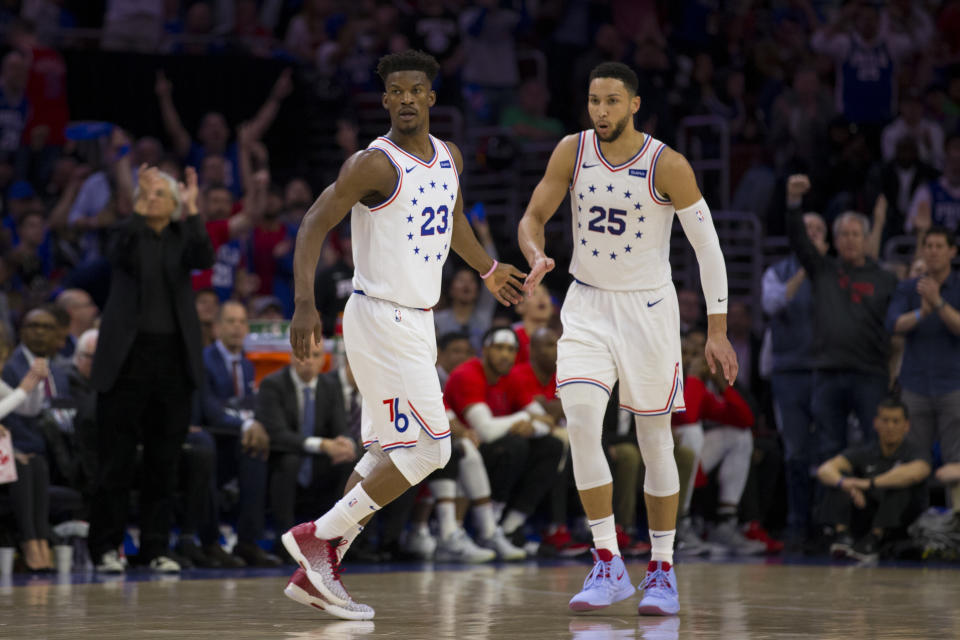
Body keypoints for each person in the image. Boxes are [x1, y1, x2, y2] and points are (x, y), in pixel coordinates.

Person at [280, 50, 524, 620]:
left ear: (431, 97)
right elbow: (314, 222)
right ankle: (320, 536)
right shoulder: (373, 164)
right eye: (396, 91)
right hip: (380, 313)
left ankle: (319, 570)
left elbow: (453, 221)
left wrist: (488, 270)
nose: (407, 98)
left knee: (384, 452)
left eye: (417, 89)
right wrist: (303, 303)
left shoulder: (449, 157)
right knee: (434, 448)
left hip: (417, 318)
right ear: (385, 99)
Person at [517, 62, 738, 615]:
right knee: (583, 426)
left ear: (634, 104)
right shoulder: (572, 149)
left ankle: (662, 568)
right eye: (594, 100)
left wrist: (717, 330)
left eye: (612, 101)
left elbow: (708, 250)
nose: (601, 111)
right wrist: (534, 250)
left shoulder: (669, 165)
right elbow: (533, 214)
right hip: (587, 304)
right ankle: (608, 561)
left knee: (654, 440)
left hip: (648, 311)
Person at [87, 165, 214, 574]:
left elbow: (204, 257)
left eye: (160, 195)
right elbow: (118, 251)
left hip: (173, 361)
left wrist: (193, 209)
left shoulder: (182, 237)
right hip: (126, 361)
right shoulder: (129, 233)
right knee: (116, 462)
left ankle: (155, 547)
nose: (153, 199)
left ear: (174, 205)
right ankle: (105, 547)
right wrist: (138, 205)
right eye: (149, 195)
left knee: (164, 462)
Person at [785, 174, 897, 464]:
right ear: (835, 240)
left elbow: (898, 329)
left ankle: (871, 507)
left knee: (876, 448)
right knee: (827, 450)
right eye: (844, 235)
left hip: (870, 373)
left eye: (855, 234)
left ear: (866, 238)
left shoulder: (885, 279)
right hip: (827, 373)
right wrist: (794, 203)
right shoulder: (823, 270)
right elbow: (799, 241)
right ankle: (829, 510)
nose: (849, 240)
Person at [761, 208, 828, 543]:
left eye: (818, 229)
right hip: (790, 373)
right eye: (807, 230)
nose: (812, 234)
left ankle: (827, 524)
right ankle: (797, 522)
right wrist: (805, 268)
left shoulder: (835, 271)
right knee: (796, 450)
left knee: (829, 448)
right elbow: (772, 304)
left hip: (829, 370)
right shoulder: (778, 272)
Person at [256, 340, 357, 538]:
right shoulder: (273, 384)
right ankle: (283, 540)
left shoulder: (330, 386)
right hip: (283, 455)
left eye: (315, 355)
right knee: (289, 461)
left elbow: (340, 427)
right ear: (292, 356)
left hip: (318, 462)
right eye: (303, 354)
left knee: (349, 462)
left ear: (323, 361)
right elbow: (278, 434)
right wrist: (322, 445)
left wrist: (346, 444)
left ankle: (339, 540)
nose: (308, 360)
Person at [886, 226, 960, 486]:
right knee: (914, 463)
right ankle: (915, 524)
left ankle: (956, 523)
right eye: (928, 246)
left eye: (939, 246)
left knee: (956, 462)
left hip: (953, 385)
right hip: (915, 386)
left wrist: (938, 303)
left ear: (952, 251)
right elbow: (893, 324)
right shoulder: (908, 288)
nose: (933, 251)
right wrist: (922, 313)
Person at [816, 397, 931, 562]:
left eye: (896, 421)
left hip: (903, 520)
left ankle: (875, 538)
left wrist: (869, 484)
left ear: (906, 425)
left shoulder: (916, 451)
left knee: (899, 482)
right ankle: (843, 537)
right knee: (840, 477)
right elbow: (825, 470)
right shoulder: (865, 450)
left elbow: (918, 471)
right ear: (876, 423)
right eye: (885, 420)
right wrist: (846, 484)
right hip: (868, 512)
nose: (890, 427)